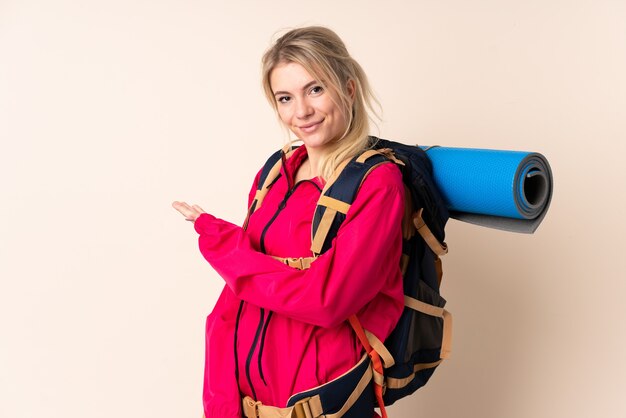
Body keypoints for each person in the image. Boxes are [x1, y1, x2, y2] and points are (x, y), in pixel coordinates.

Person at [173, 26, 405, 418]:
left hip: (326, 407)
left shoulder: (377, 183)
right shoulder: (274, 174)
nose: (301, 112)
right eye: (285, 98)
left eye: (315, 89)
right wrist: (222, 407)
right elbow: (233, 307)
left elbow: (326, 300)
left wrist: (227, 249)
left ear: (348, 89)